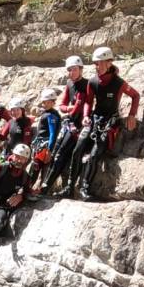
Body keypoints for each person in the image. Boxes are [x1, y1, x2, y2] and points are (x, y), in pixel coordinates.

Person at [67, 46, 140, 201]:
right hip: (95, 119)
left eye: (100, 63)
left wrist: (132, 115)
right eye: (95, 63)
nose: (97, 66)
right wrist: (86, 116)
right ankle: (69, 187)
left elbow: (135, 95)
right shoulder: (93, 82)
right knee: (77, 149)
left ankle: (84, 189)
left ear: (109, 63)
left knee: (95, 154)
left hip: (110, 122)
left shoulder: (118, 83)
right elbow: (88, 101)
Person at [44, 55, 89, 196]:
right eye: (69, 70)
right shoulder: (69, 83)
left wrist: (74, 108)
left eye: (74, 69)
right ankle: (47, 186)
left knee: (63, 153)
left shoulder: (88, 85)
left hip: (81, 124)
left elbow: (86, 105)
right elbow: (61, 106)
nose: (71, 72)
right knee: (57, 154)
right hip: (70, 123)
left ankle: (53, 188)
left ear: (81, 69)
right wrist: (71, 108)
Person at [29, 88, 61, 194]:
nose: (44, 104)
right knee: (39, 168)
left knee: (37, 168)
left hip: (44, 146)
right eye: (43, 102)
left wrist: (49, 150)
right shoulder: (48, 113)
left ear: (53, 102)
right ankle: (36, 190)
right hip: (42, 144)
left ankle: (31, 189)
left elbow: (52, 133)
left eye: (47, 102)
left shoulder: (51, 115)